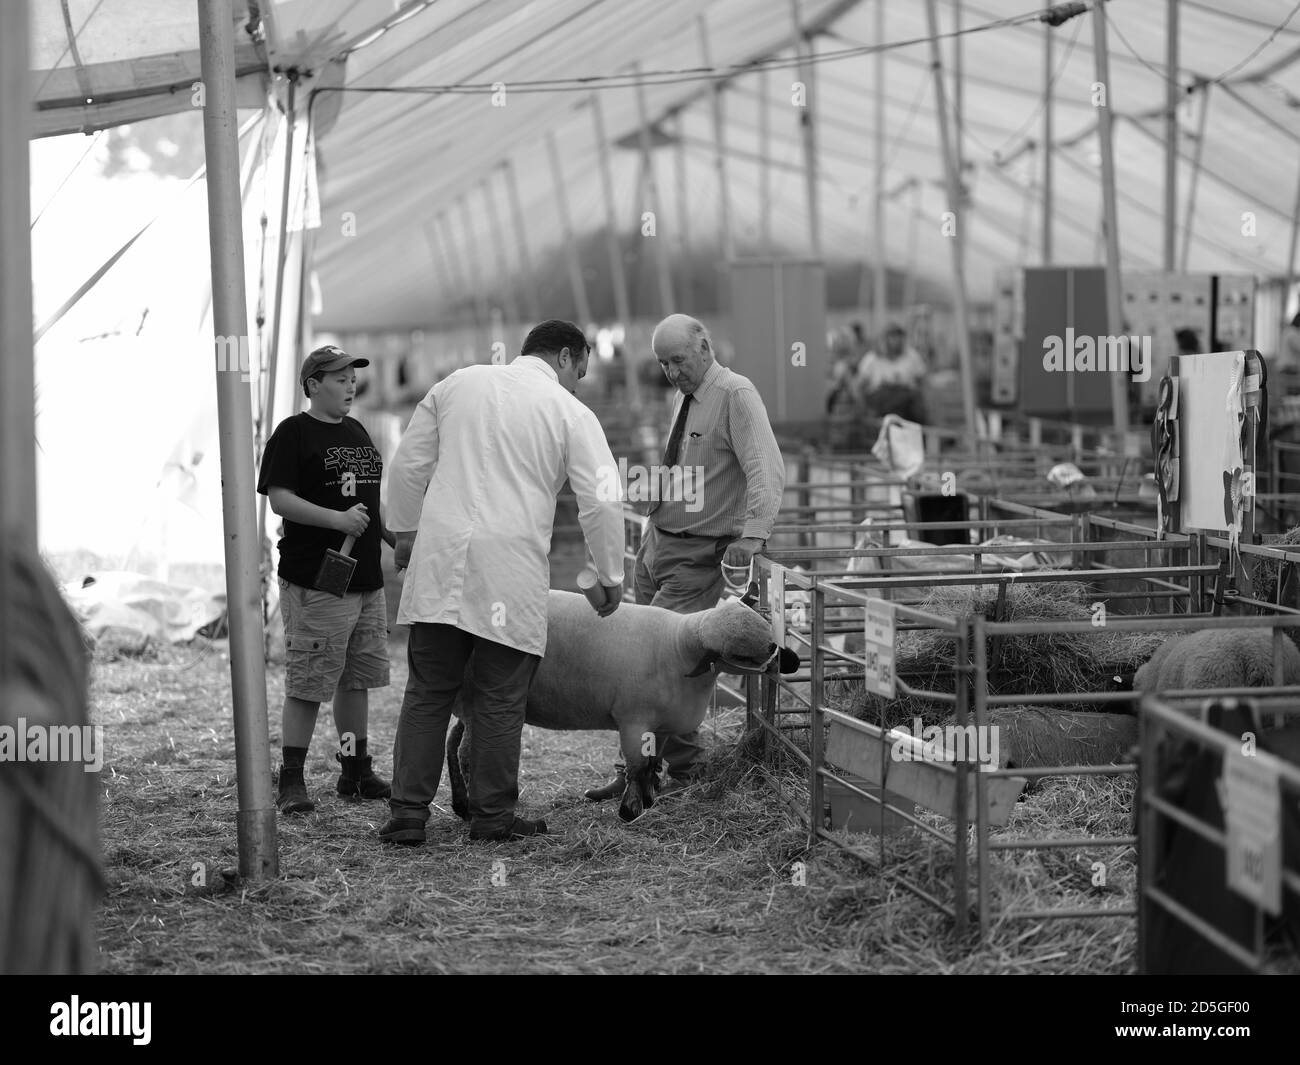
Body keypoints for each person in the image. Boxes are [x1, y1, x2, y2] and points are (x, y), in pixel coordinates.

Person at [378, 320, 625, 845]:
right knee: (499, 697)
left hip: (441, 560)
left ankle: (407, 817)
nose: (578, 382)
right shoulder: (569, 411)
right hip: (508, 570)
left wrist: (403, 533)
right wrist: (610, 574)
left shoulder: (456, 385)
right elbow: (602, 497)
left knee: (428, 692)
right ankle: (491, 818)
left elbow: (405, 468)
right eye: (579, 370)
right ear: (564, 356)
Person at [584, 313, 786, 803]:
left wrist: (755, 535)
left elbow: (766, 466)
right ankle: (644, 766)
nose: (672, 371)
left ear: (705, 345)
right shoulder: (685, 396)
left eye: (678, 359)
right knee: (641, 659)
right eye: (663, 363)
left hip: (699, 553)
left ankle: (685, 771)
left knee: (666, 664)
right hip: (658, 542)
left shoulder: (736, 395)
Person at [257, 344, 397, 815]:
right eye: (339, 378)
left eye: (352, 377)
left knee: (355, 678)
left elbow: (371, 504)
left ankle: (354, 769)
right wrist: (336, 521)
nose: (350, 384)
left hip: (365, 579)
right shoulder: (293, 433)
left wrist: (396, 538)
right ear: (313, 385)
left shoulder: (357, 431)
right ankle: (290, 778)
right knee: (310, 679)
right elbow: (280, 499)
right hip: (318, 579)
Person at [853, 322, 927, 424]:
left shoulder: (911, 356)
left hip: (907, 406)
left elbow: (922, 381)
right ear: (883, 339)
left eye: (898, 336)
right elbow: (860, 386)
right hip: (881, 405)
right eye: (892, 336)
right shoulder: (872, 359)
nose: (895, 340)